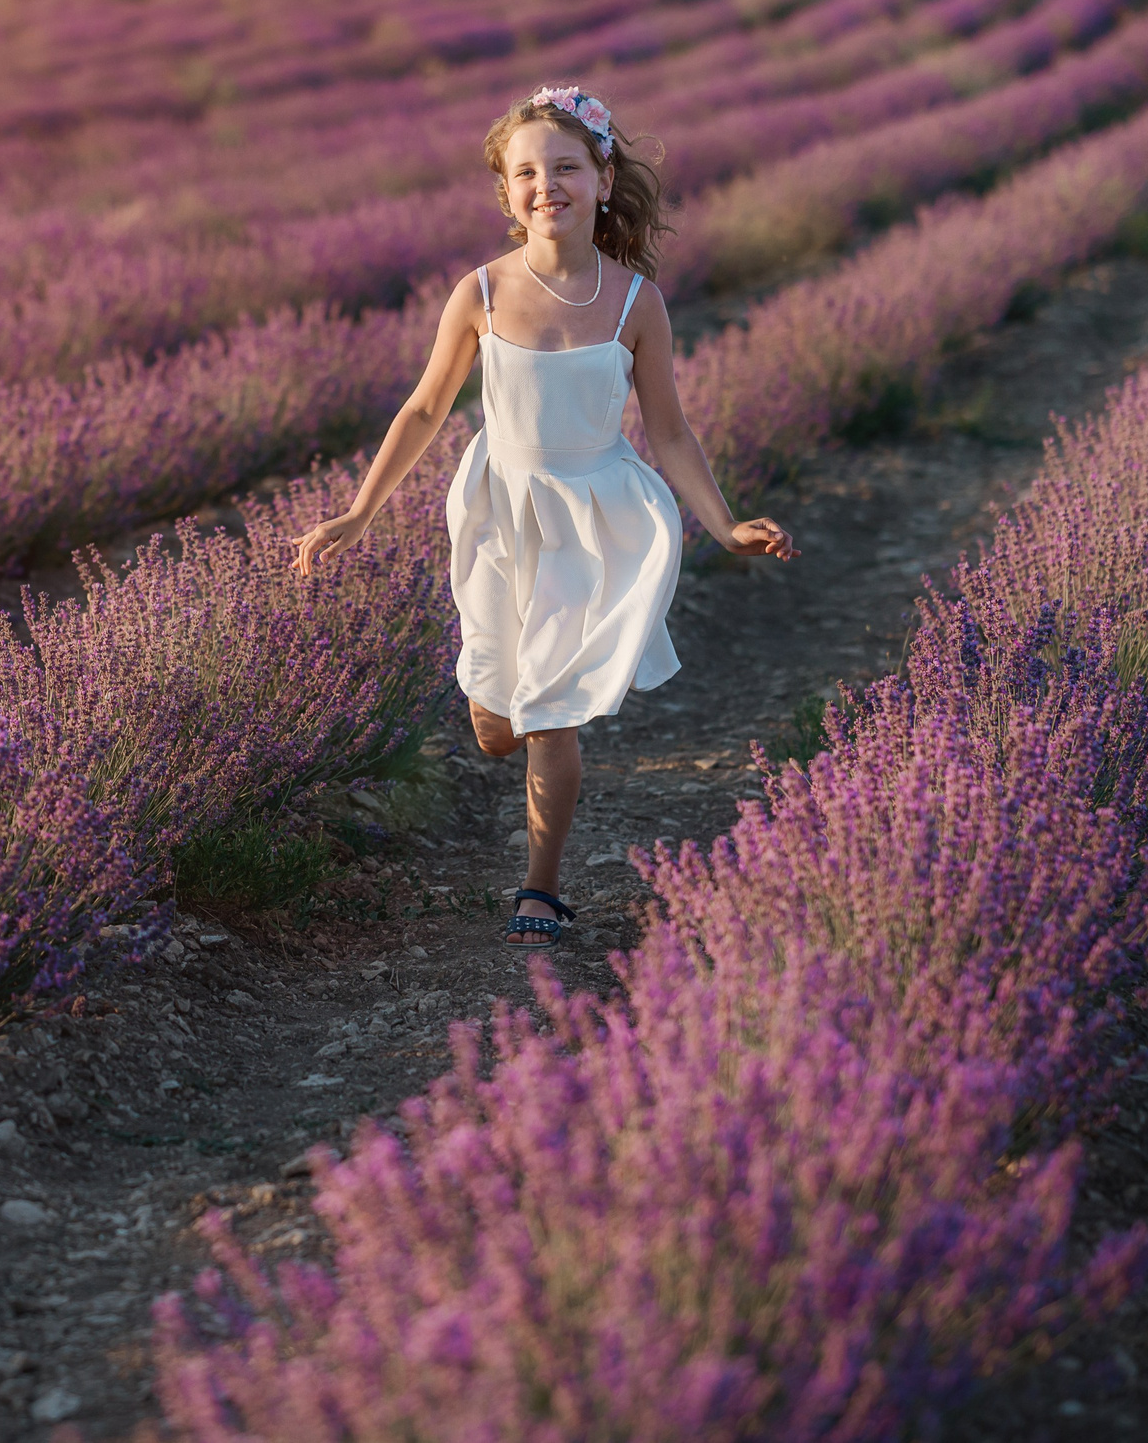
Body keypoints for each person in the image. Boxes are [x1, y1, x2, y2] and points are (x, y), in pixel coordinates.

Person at [291, 85, 797, 948]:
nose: (544, 185)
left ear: (603, 179)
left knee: (551, 711)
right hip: (498, 512)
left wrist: (722, 523)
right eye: (525, 172)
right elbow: (423, 410)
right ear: (505, 193)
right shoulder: (481, 292)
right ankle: (503, 717)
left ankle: (541, 888)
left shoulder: (637, 303)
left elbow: (670, 433)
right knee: (497, 722)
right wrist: (358, 511)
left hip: (593, 520)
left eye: (565, 167)